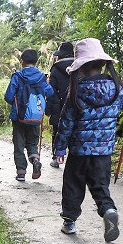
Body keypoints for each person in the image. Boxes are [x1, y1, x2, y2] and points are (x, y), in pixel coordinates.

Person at [53, 37, 123, 242]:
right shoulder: (116, 88)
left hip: (78, 152)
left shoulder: (77, 90)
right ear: (103, 64)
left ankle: (69, 223)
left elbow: (66, 122)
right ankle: (108, 210)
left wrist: (59, 149)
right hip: (103, 153)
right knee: (100, 186)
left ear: (80, 67)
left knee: (73, 186)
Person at [4, 48, 54, 181]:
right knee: (33, 142)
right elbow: (50, 93)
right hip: (36, 116)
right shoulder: (42, 77)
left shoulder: (17, 76)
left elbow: (8, 97)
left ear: (22, 61)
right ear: (36, 61)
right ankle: (35, 160)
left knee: (19, 144)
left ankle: (21, 172)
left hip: (19, 117)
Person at [47, 41, 74, 169]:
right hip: (75, 104)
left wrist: (48, 109)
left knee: (57, 131)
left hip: (59, 105)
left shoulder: (55, 68)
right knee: (74, 131)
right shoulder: (80, 66)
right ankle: (73, 159)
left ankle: (56, 158)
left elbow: (51, 91)